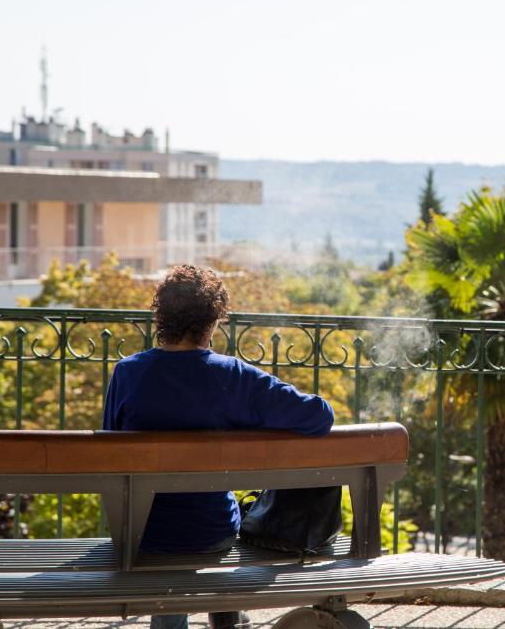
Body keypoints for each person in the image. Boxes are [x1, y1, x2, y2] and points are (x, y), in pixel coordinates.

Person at [103, 265, 335, 629]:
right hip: (211, 532)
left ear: (161, 318)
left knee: (168, 548)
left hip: (141, 535)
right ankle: (228, 618)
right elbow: (319, 416)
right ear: (213, 322)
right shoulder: (233, 376)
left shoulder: (127, 374)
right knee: (210, 527)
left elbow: (110, 453)